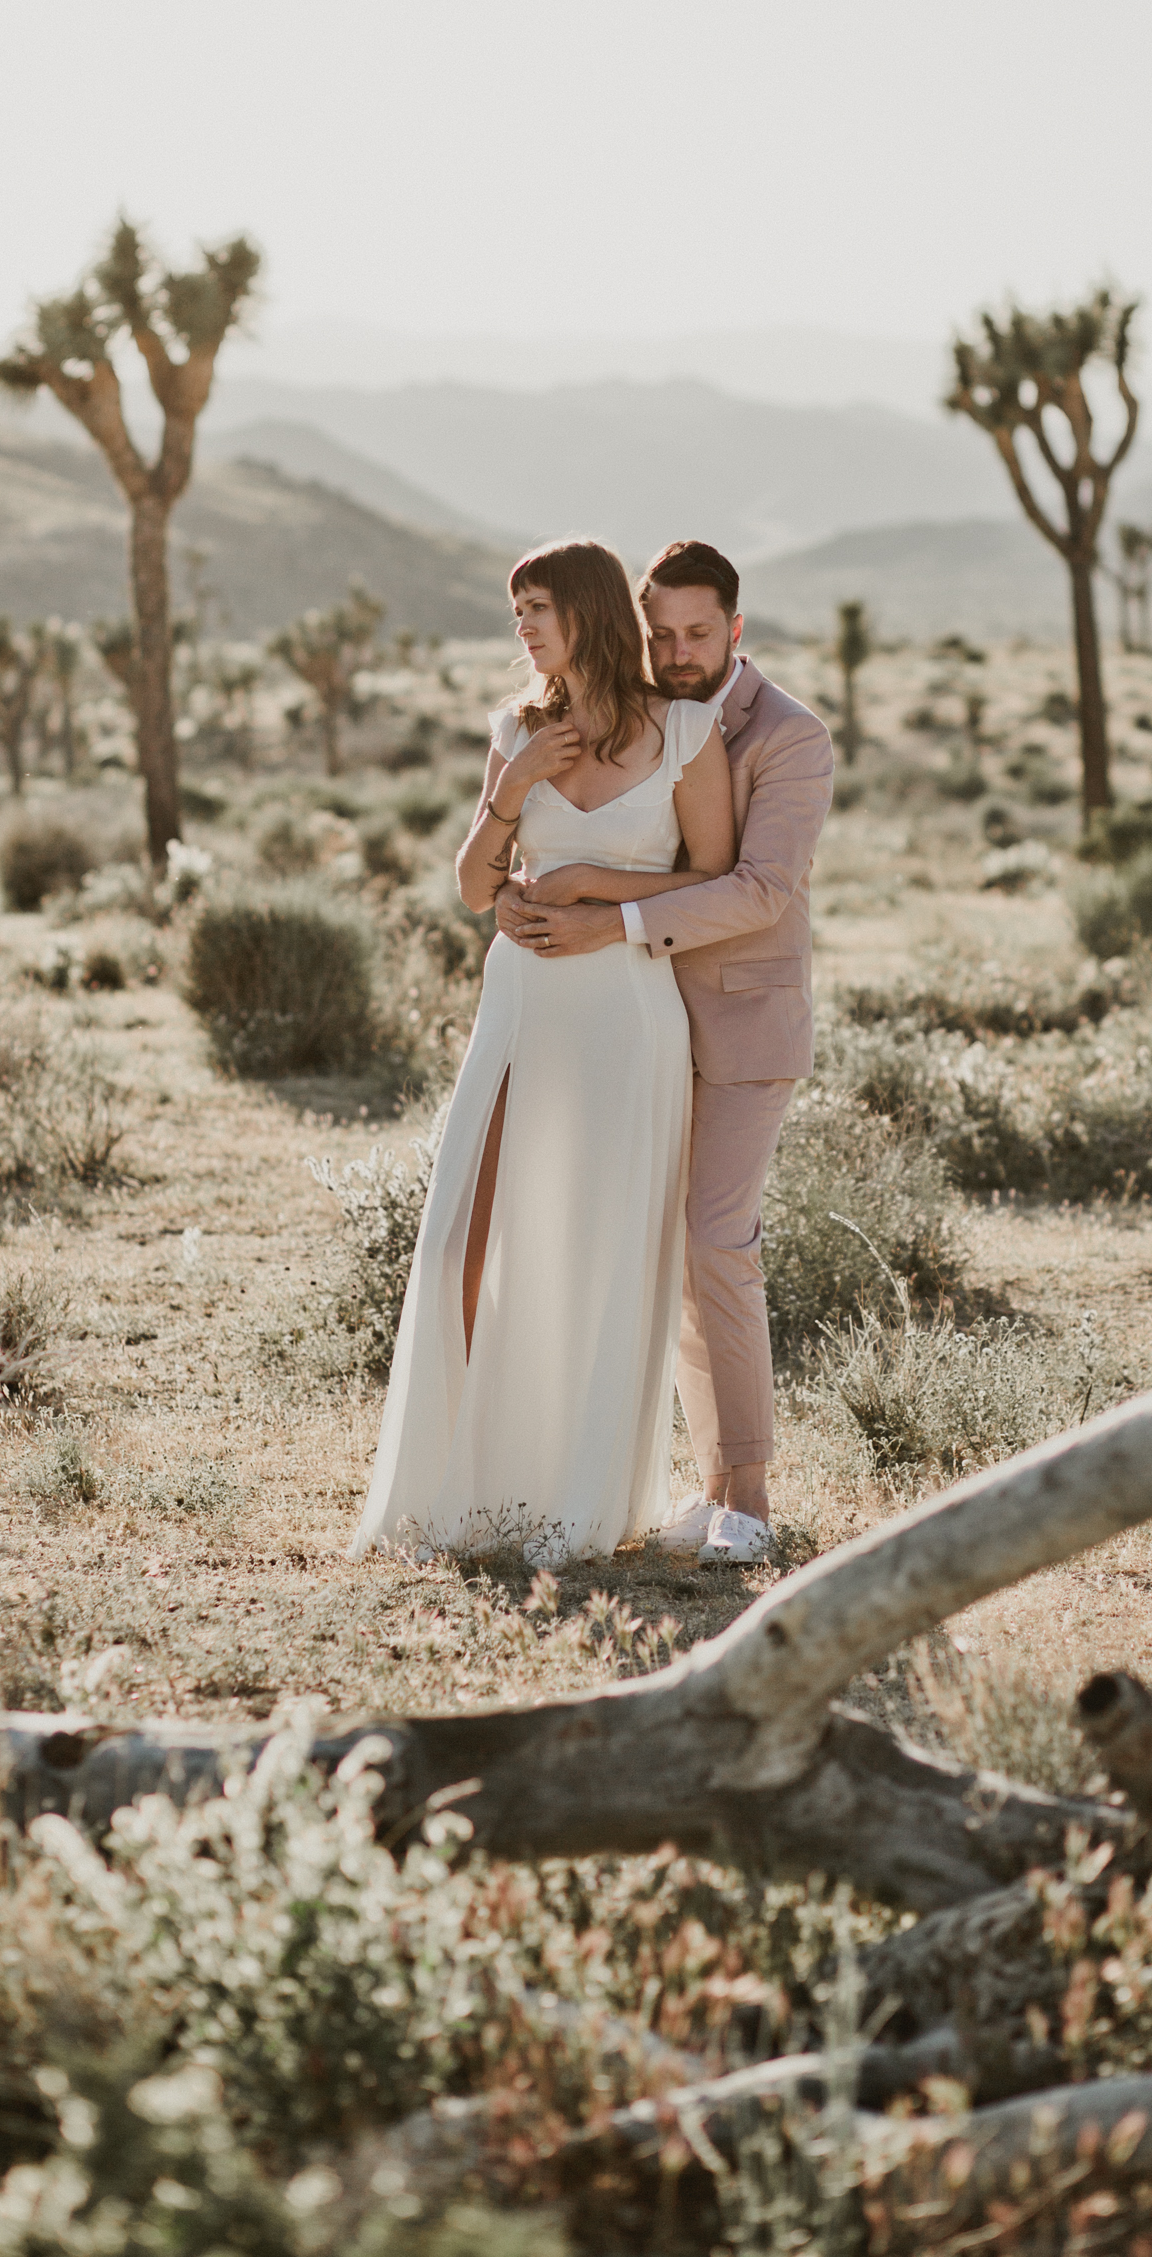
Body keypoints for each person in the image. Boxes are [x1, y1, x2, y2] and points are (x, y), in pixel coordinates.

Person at [350, 538, 734, 1563]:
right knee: (463, 1241)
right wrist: (512, 785)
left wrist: (587, 890)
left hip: (627, 1010)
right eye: (515, 611)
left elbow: (714, 880)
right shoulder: (516, 730)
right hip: (523, 1005)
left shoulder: (685, 731)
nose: (521, 629)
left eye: (537, 609)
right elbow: (475, 888)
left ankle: (573, 1501)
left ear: (591, 613)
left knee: (598, 1249)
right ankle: (454, 1485)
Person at [499, 539, 834, 1564]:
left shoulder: (789, 736)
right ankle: (712, 1486)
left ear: (735, 628)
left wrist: (609, 911)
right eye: (661, 633)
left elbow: (759, 891)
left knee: (714, 1244)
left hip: (738, 1026)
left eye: (697, 633)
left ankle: (755, 1501)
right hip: (639, 1027)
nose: (677, 651)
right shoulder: (638, 718)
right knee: (667, 1255)